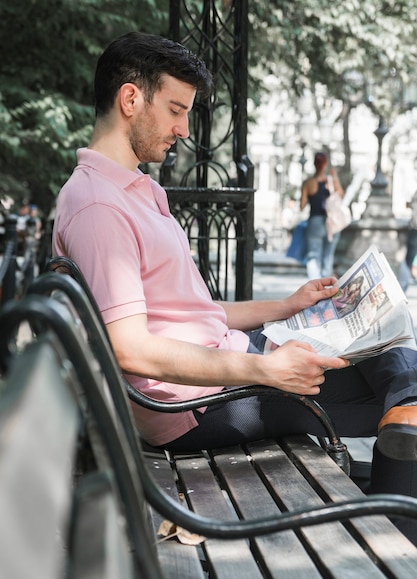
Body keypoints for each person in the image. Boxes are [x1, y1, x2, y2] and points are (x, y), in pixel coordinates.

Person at [53, 32, 417, 544]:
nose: (183, 129)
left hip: (222, 375)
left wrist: (287, 305)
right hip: (199, 407)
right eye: (176, 110)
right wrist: (264, 368)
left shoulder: (135, 190)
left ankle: (399, 478)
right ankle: (398, 552)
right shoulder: (99, 206)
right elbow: (127, 346)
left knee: (393, 357)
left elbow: (187, 312)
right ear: (130, 99)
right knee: (404, 388)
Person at [300, 152, 344, 279]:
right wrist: (334, 177)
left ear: (314, 164)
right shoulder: (330, 181)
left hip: (314, 221)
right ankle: (325, 288)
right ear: (325, 164)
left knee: (313, 256)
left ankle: (314, 286)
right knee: (328, 256)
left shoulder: (308, 183)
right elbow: (340, 193)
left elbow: (302, 205)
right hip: (332, 223)